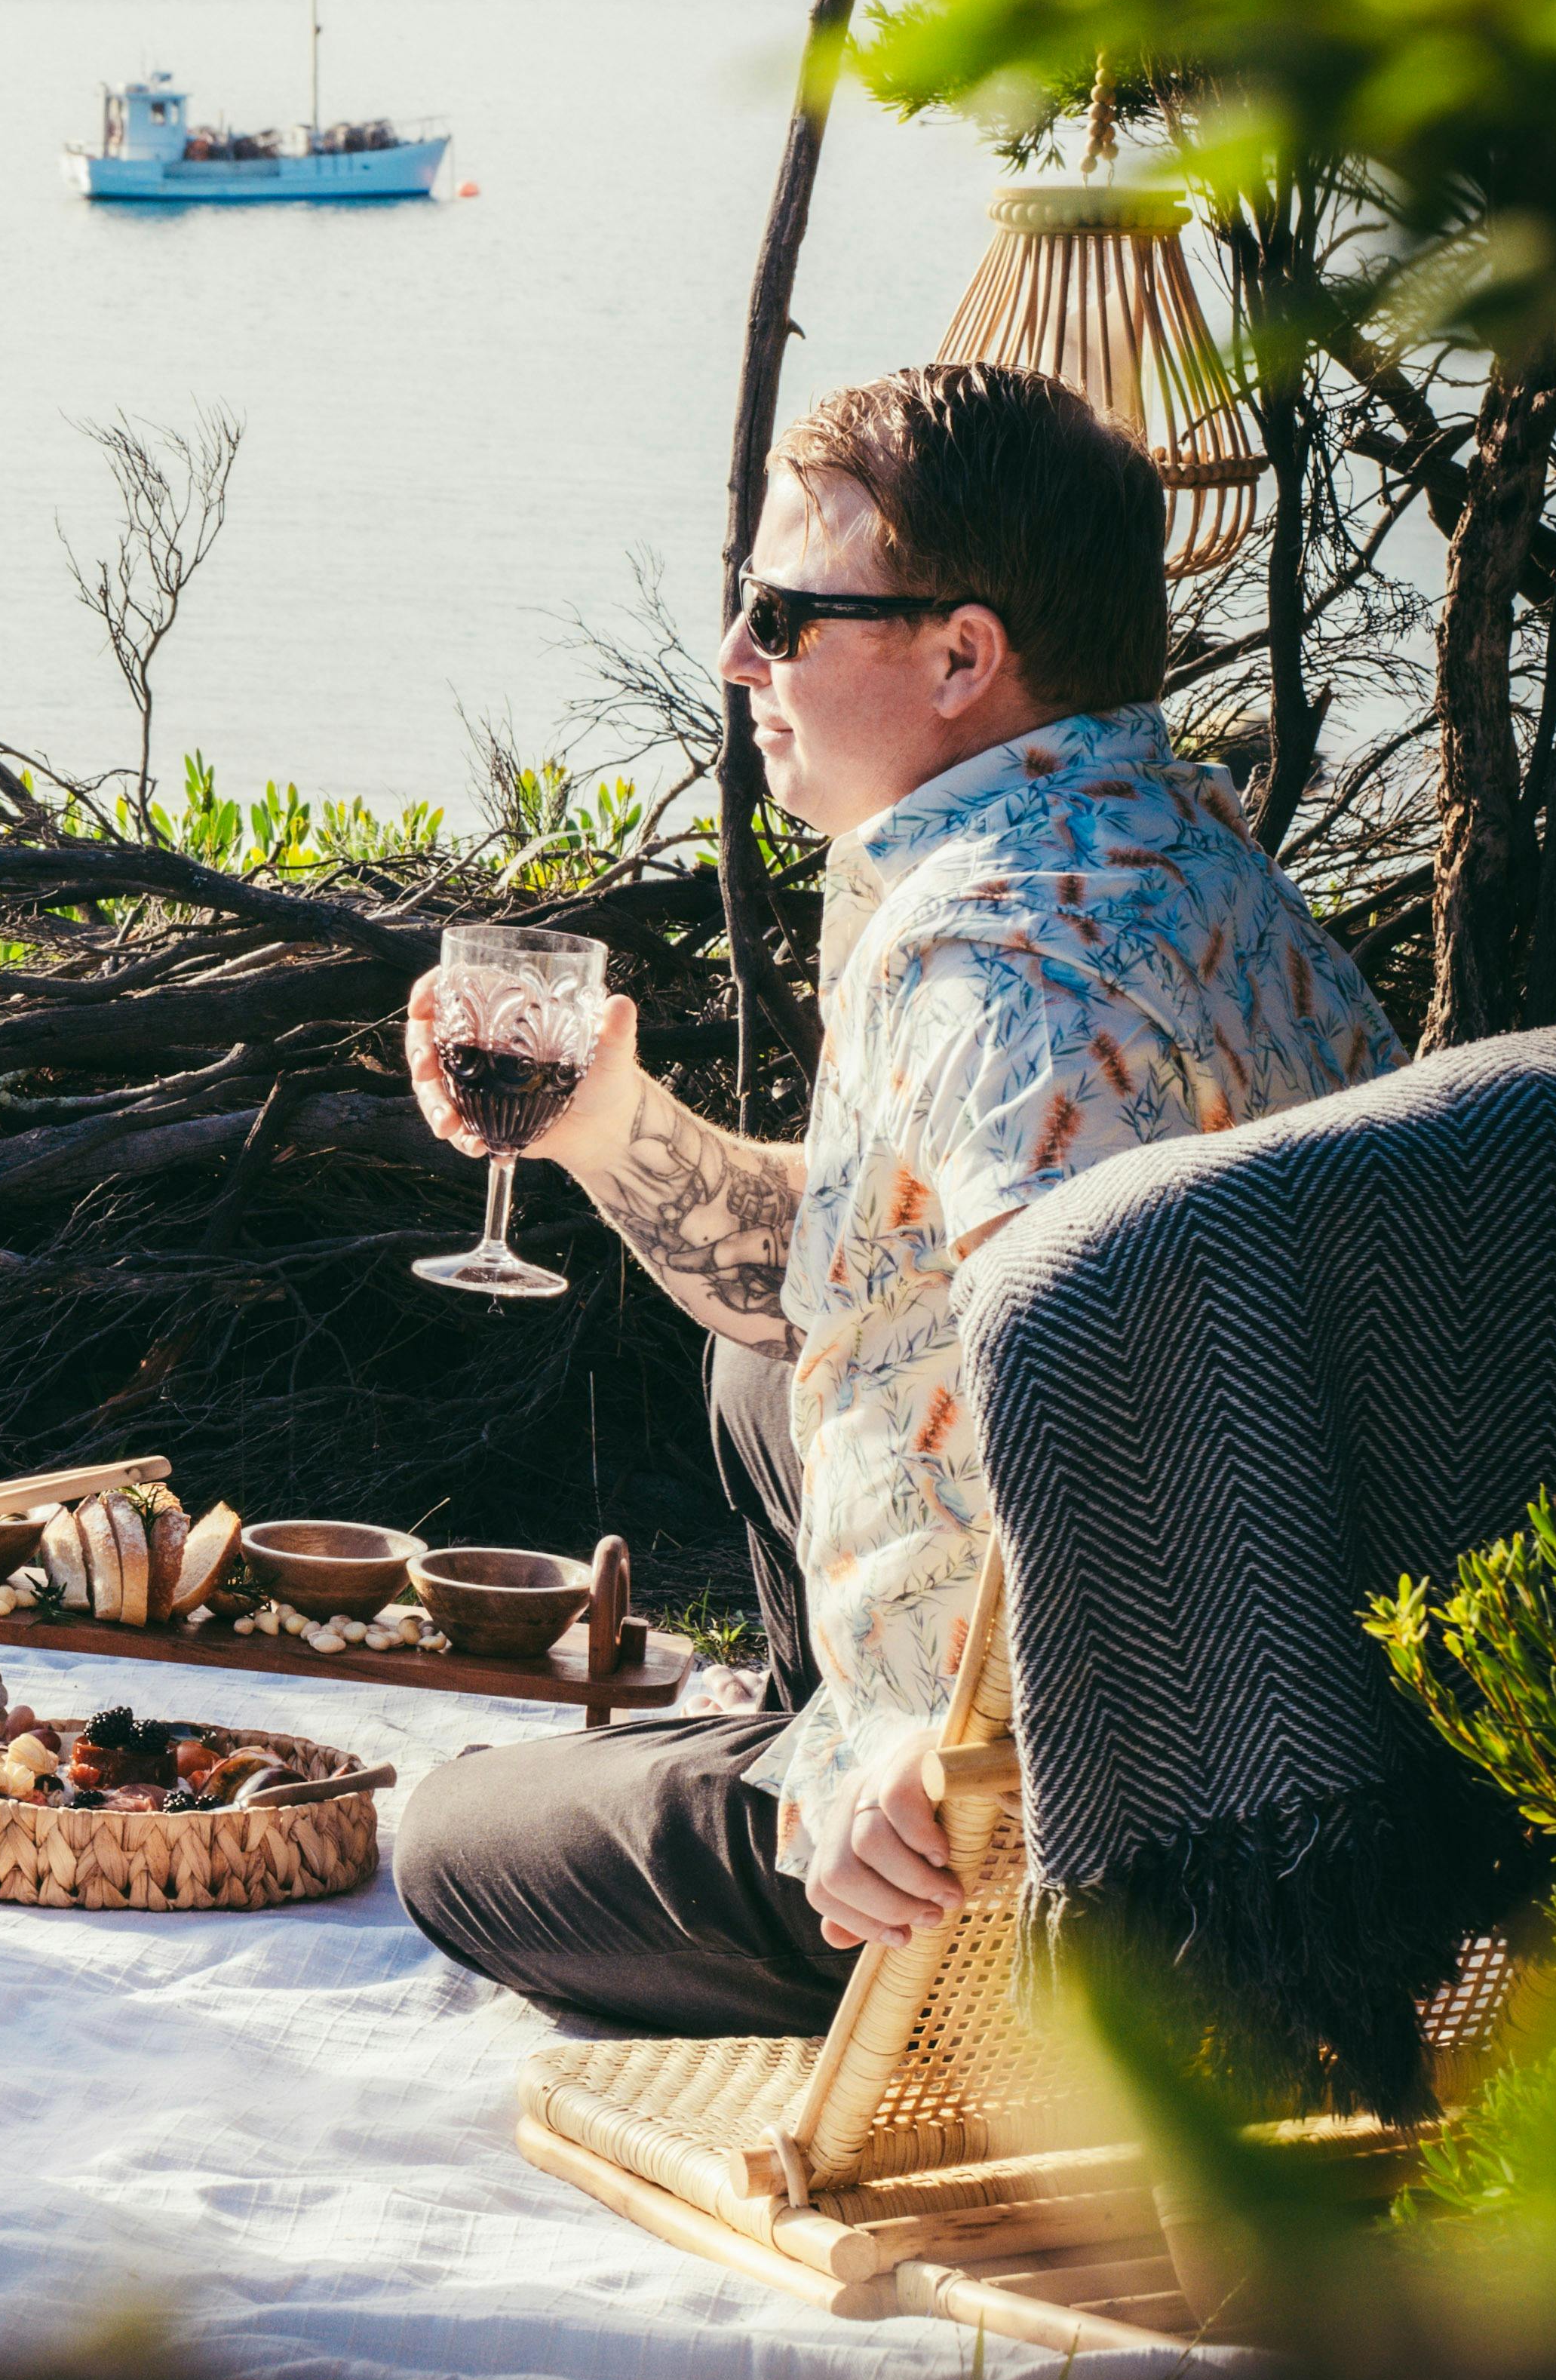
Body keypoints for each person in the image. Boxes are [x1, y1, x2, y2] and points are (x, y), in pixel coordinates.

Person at [385, 364, 1398, 2035]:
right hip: (1299, 1707)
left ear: (958, 655)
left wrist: (935, 1766)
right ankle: (810, 1743)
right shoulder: (1164, 847)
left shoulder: (1000, 970)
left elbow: (1141, 1422)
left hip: (1039, 1839)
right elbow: (860, 1263)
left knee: (452, 1838)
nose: (737, 656)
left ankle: (844, 1864)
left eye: (783, 615)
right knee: (762, 1367)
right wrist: (601, 1125)